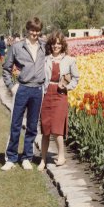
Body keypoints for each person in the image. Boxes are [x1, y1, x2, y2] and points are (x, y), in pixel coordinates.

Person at [1, 17, 46, 171]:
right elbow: (6, 68)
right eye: (32, 30)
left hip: (37, 89)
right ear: (28, 30)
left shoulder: (43, 46)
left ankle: (27, 157)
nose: (35, 33)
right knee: (16, 124)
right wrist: (12, 87)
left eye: (37, 31)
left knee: (33, 126)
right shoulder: (17, 47)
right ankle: (11, 158)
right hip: (22, 88)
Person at [38, 30, 80, 171]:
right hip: (46, 94)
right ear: (50, 45)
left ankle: (61, 156)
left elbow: (76, 78)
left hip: (60, 94)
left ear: (62, 45)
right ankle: (43, 159)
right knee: (45, 128)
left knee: (57, 127)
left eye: (58, 44)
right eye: (54, 44)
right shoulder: (45, 59)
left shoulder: (69, 60)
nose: (56, 46)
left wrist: (67, 86)